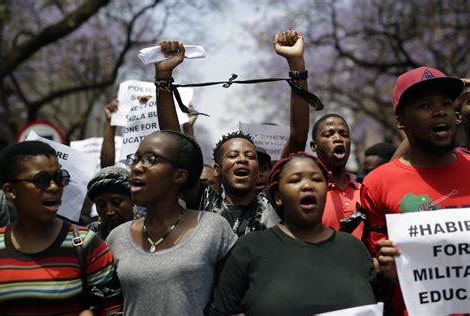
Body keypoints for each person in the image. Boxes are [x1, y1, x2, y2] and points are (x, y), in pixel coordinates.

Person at [154, 29, 312, 236]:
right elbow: (174, 147)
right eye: (233, 155)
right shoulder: (204, 202)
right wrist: (163, 76)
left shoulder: (274, 199)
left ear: (258, 169)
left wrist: (296, 63)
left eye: (250, 156)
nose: (242, 160)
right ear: (217, 170)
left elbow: (298, 137)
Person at [210, 152, 377, 315]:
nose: (307, 185)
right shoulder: (250, 248)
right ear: (278, 197)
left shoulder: (354, 248)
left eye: (316, 179)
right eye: (295, 180)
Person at [360, 66, 468, 315]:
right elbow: (373, 270)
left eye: (446, 103)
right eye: (425, 106)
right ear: (401, 122)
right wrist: (386, 271)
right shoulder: (378, 183)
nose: (440, 111)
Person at [106, 130, 237, 315]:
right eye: (135, 159)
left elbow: (232, 303)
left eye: (151, 159)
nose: (136, 167)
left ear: (179, 176)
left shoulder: (213, 229)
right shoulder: (117, 237)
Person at [0, 141, 122, 315]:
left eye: (59, 178)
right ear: (10, 191)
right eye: (41, 180)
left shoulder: (87, 245)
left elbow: (114, 310)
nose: (55, 187)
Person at [310, 114, 364, 239]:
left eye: (344, 134)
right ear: (314, 145)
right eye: (328, 134)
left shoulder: (365, 192)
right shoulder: (308, 194)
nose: (338, 138)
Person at [86, 166, 134, 240]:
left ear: (133, 200)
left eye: (116, 203)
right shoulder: (90, 234)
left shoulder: (150, 231)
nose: (109, 212)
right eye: (101, 205)